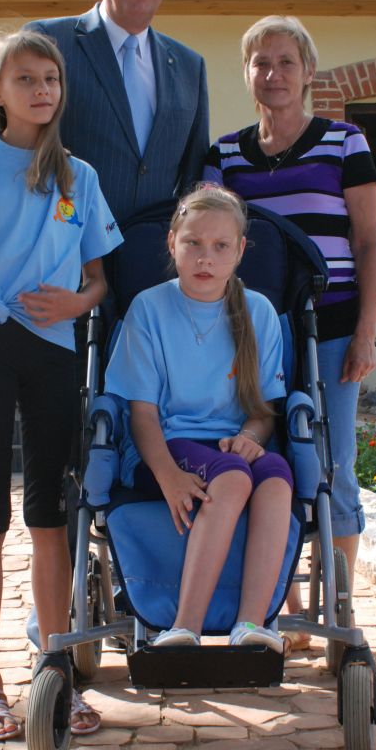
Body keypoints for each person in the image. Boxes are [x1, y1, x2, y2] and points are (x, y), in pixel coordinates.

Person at [0, 30, 122, 740]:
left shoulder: (80, 177)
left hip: (52, 352)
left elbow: (100, 279)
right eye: (25, 79)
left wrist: (77, 302)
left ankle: (56, 670)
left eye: (51, 78)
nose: (42, 90)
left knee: (49, 514)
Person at [203, 15, 376, 649]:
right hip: (249, 335)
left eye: (286, 62)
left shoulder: (344, 142)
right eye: (261, 62)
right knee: (266, 457)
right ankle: (285, 603)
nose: (273, 74)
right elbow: (207, 236)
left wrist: (366, 331)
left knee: (331, 463)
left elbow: (368, 242)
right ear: (247, 73)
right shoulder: (224, 155)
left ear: (307, 72)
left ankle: (337, 608)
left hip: (331, 330)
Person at [104, 187, 294, 651]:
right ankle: (184, 626)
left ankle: (251, 625)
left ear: (240, 250)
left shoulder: (259, 313)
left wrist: (251, 437)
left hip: (230, 447)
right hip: (164, 446)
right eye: (193, 243)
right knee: (232, 477)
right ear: (172, 243)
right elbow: (142, 414)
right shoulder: (149, 308)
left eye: (220, 246)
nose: (205, 257)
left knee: (276, 474)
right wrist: (167, 475)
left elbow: (263, 412)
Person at [25, 0, 209, 224]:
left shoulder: (190, 66)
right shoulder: (49, 42)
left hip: (153, 249)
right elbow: (7, 148)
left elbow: (193, 176)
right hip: (66, 244)